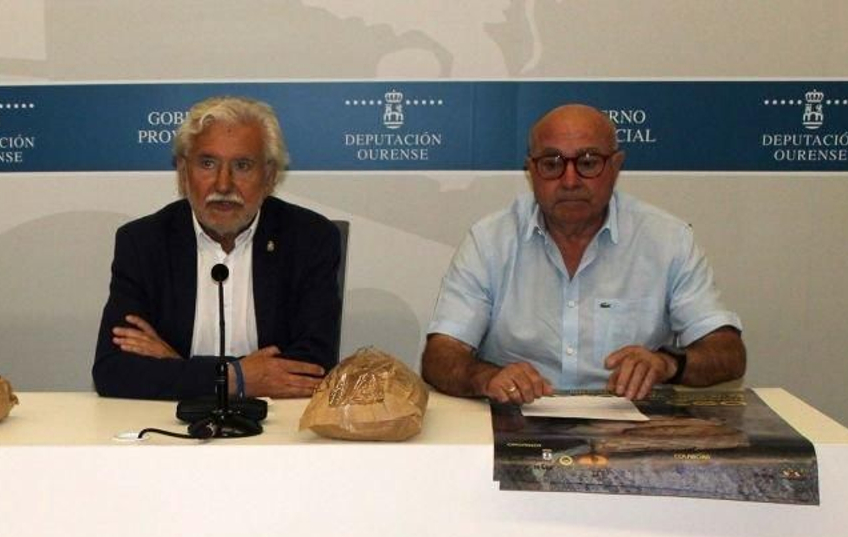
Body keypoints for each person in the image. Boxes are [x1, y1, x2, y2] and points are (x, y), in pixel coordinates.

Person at [422, 103, 745, 404]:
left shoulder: (667, 240)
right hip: (514, 422)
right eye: (552, 164)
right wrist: (487, 377)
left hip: (629, 434)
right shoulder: (489, 240)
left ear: (616, 166)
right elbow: (440, 357)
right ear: (530, 170)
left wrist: (668, 363)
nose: (570, 180)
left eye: (588, 162)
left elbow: (728, 353)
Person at [92, 96, 343, 401]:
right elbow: (113, 372)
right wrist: (237, 378)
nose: (223, 185)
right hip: (171, 428)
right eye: (207, 164)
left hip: (276, 429)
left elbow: (310, 368)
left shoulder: (310, 239)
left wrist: (177, 365)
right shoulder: (144, 242)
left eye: (242, 165)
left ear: (269, 176)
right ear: (184, 173)